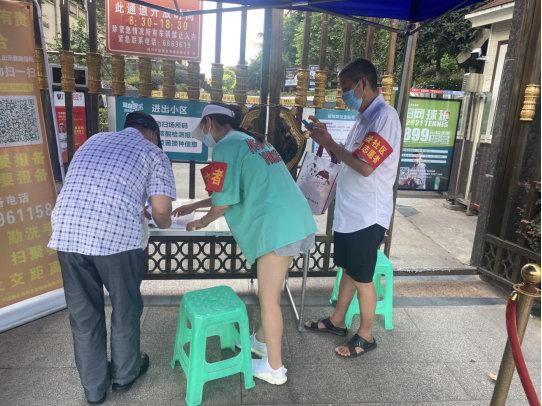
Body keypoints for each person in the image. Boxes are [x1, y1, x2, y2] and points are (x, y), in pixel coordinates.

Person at [173, 103, 317, 385]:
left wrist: (200, 221)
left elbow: (224, 201)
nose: (204, 135)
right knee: (271, 292)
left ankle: (275, 368)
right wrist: (197, 205)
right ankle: (262, 340)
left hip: (277, 228)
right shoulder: (253, 141)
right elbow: (232, 190)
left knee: (268, 299)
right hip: (292, 220)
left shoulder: (225, 147)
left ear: (209, 123)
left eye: (203, 128)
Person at [48, 112, 176, 404]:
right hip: (117, 239)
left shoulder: (94, 140)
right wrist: (163, 221)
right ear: (153, 134)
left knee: (83, 314)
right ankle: (124, 376)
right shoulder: (152, 153)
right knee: (125, 306)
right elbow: (160, 208)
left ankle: (93, 389)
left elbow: (92, 189)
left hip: (68, 234)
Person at [304, 58, 401, 358]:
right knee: (348, 268)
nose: (344, 94)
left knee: (363, 276)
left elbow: (364, 165)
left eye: (347, 88)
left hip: (367, 214)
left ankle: (366, 335)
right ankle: (337, 321)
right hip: (351, 212)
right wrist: (327, 140)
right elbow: (352, 157)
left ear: (363, 83)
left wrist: (329, 142)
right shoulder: (364, 117)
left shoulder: (385, 117)